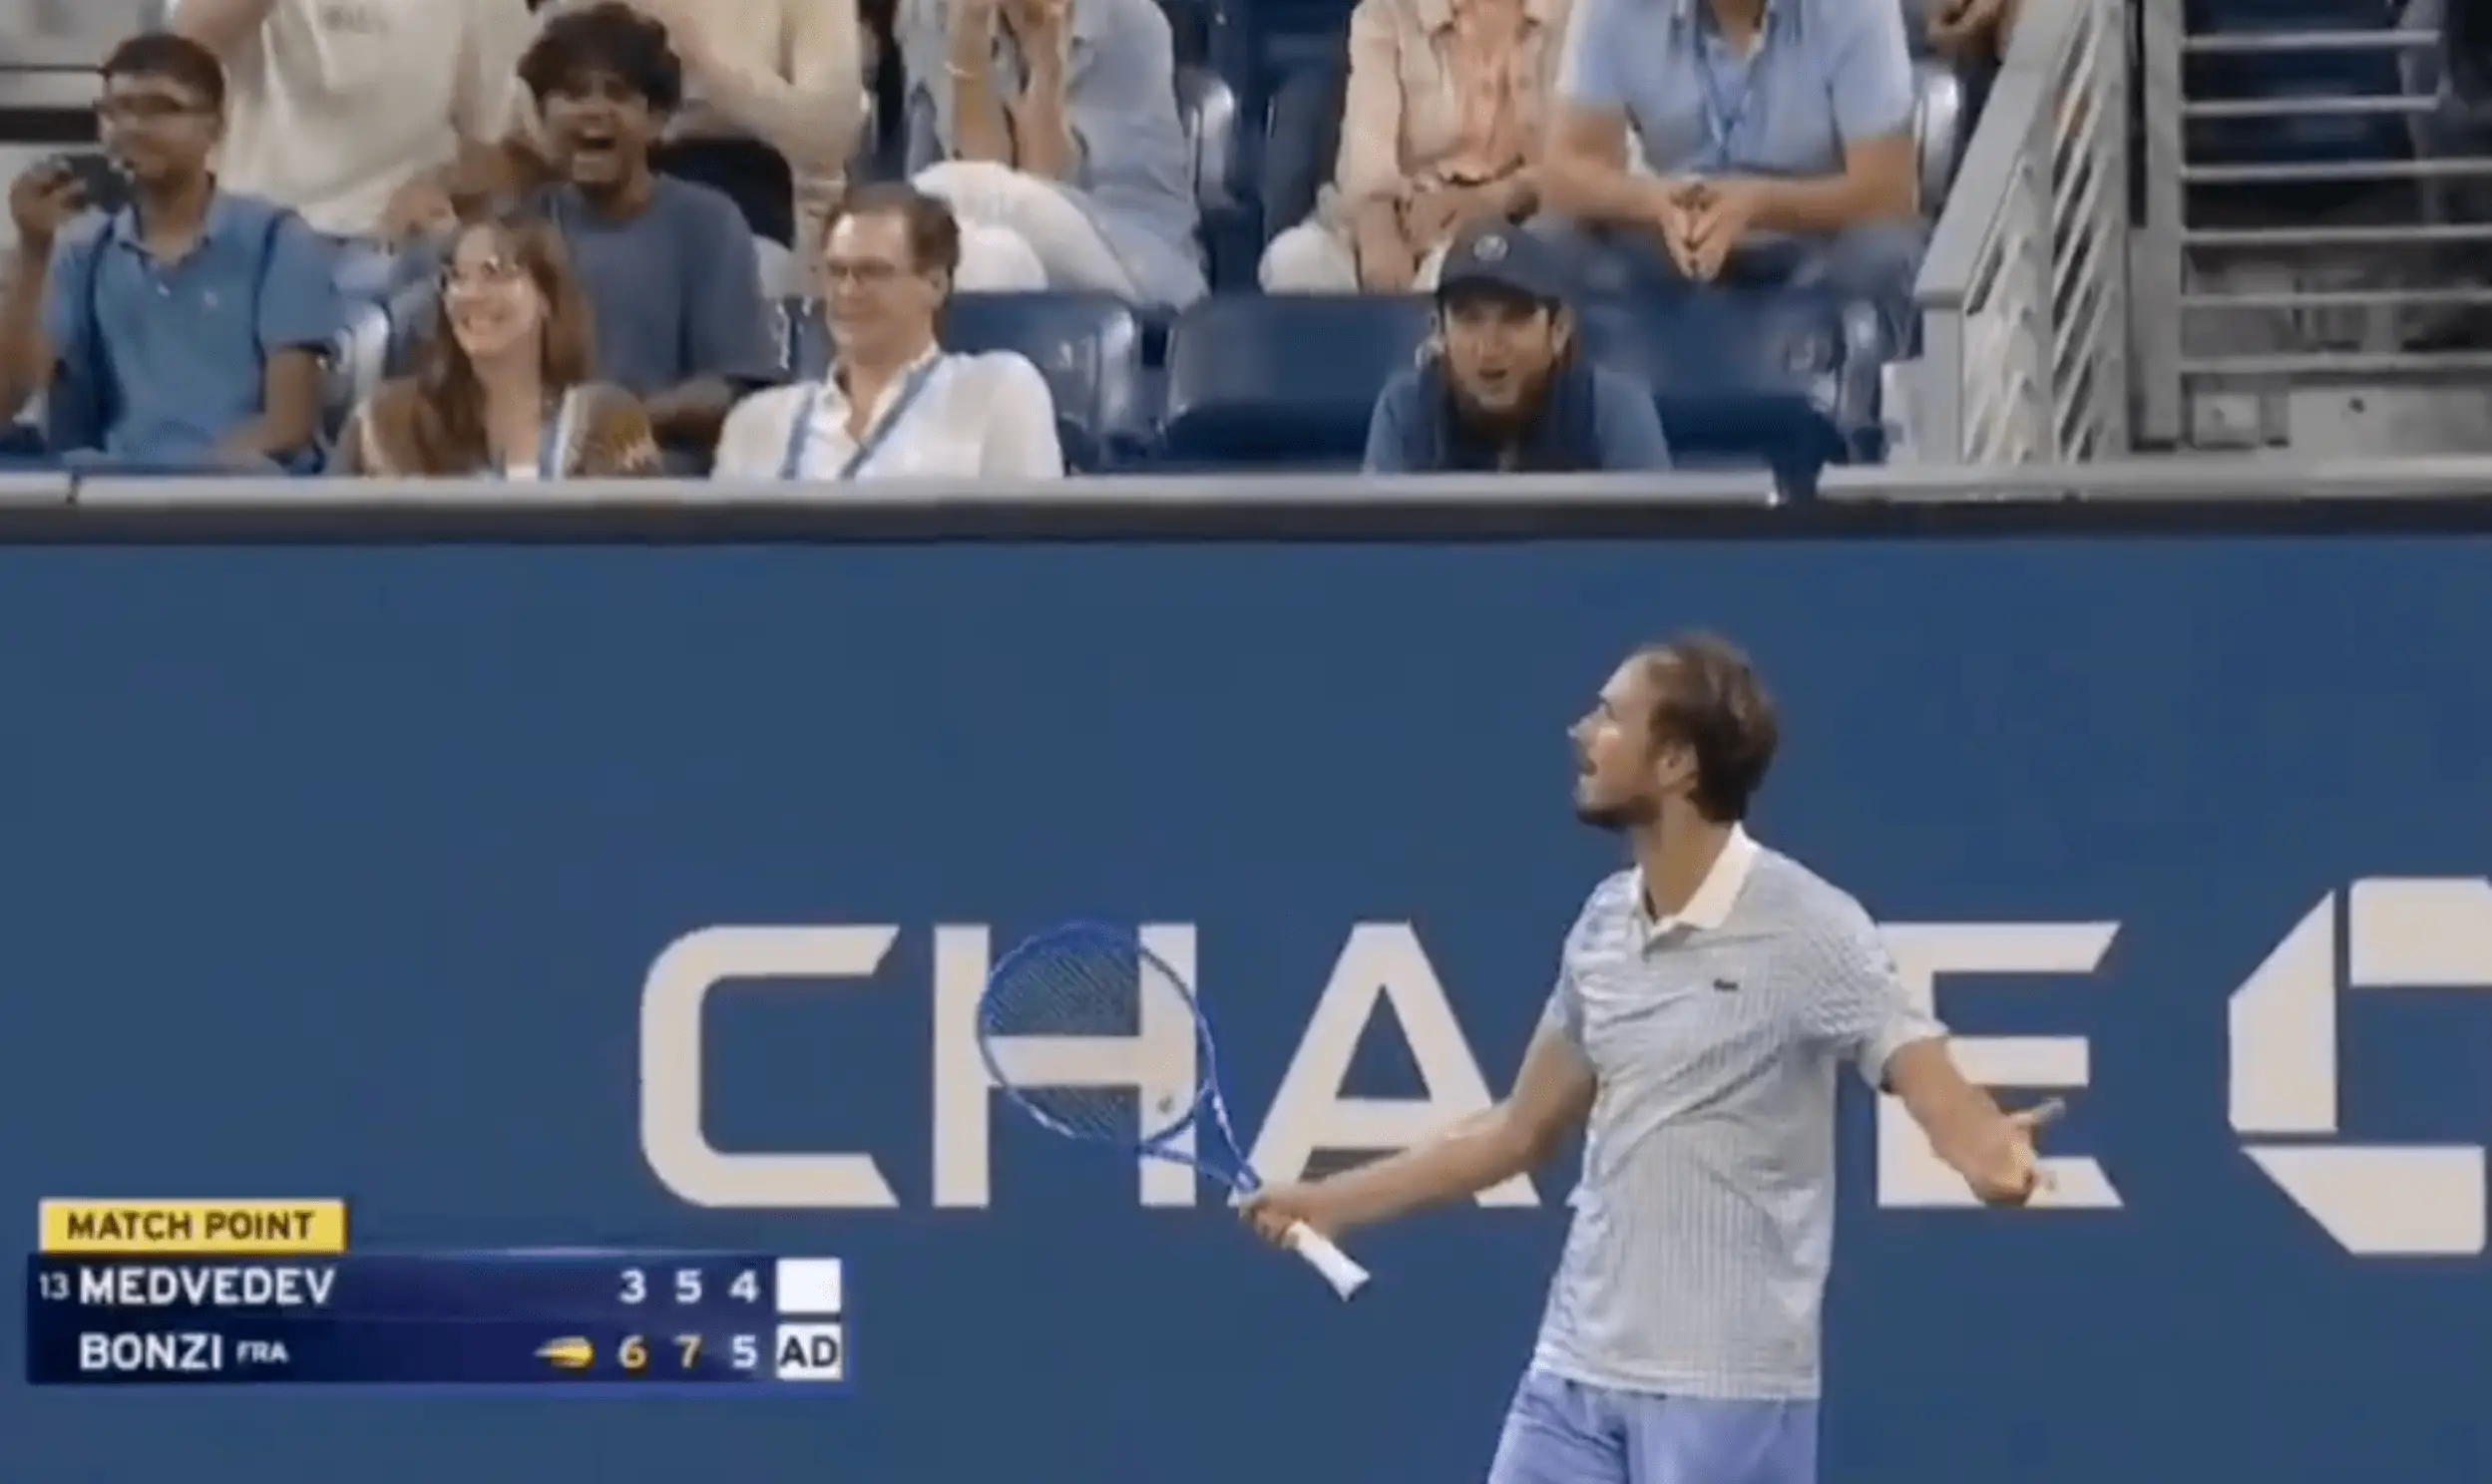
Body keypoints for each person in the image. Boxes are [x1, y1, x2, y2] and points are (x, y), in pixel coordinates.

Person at [1241, 633, 2059, 1484]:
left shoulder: (1813, 929)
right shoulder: (1602, 924)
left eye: (1609, 717)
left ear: (1675, 763)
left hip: (1727, 1397)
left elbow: (1924, 1074)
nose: (1580, 733)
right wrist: (1331, 1201)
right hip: (1573, 1374)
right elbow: (1516, 1131)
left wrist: (1990, 1153)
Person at [0, 32, 337, 471]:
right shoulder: (82, 253)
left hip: (242, 489)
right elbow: (8, 400)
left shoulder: (278, 240)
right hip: (113, 488)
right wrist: (33, 249)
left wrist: (181, 484)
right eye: (116, 110)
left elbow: (287, 426)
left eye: (160, 108)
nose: (132, 127)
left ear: (214, 126)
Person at [1541, 0, 1926, 349]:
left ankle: (1867, 400)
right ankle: (1594, 403)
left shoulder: (1858, 8)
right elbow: (1565, 174)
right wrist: (1656, 203)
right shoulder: (1613, 8)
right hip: (1672, 238)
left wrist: (1757, 205)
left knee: (1887, 253)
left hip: (1815, 241)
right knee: (1548, 247)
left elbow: (1890, 190)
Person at [513, 2, 783, 462]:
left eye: (617, 94)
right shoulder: (519, 225)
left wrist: (621, 421)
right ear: (541, 116)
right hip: (534, 476)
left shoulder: (707, 223)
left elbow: (735, 389)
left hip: (662, 479)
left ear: (657, 119)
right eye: (573, 94)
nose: (594, 110)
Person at [169, 0, 537, 298]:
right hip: (252, 250)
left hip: (398, 259)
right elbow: (183, 51)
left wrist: (443, 184)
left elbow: (516, 150)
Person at [711, 184, 1064, 479]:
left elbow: (1032, 538)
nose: (848, 291)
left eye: (873, 272)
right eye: (836, 271)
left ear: (935, 285)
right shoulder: (757, 422)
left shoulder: (997, 391)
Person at [894, 0, 1206, 307]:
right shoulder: (929, 13)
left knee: (968, 193)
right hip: (1024, 242)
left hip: (1138, 259)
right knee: (989, 255)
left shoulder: (1129, 20)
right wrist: (970, 53)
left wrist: (1048, 68)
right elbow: (990, 168)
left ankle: (891, 230)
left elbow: (1047, 183)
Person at [1262, 0, 1572, 293]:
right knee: (1296, 262)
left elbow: (1578, 163)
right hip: (1400, 213)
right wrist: (1380, 237)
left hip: (1518, 221)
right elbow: (1366, 150)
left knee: (1463, 278)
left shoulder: (1576, 19)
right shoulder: (1386, 13)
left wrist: (1493, 199)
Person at [532, 0, 869, 267]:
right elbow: (527, 117)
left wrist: (698, 54)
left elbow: (830, 133)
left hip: (750, 190)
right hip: (595, 190)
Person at [334, 212, 659, 477]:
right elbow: (322, 529)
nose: (470, 294)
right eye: (457, 277)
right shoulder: (387, 419)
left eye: (494, 272)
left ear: (546, 297)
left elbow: (644, 535)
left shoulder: (608, 417)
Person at [1364, 220, 1670, 472]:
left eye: (1515, 318)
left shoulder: (1611, 411)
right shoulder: (1405, 411)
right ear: (1439, 332)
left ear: (1558, 330)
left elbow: (1653, 529)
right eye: (1469, 319)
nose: (1489, 348)